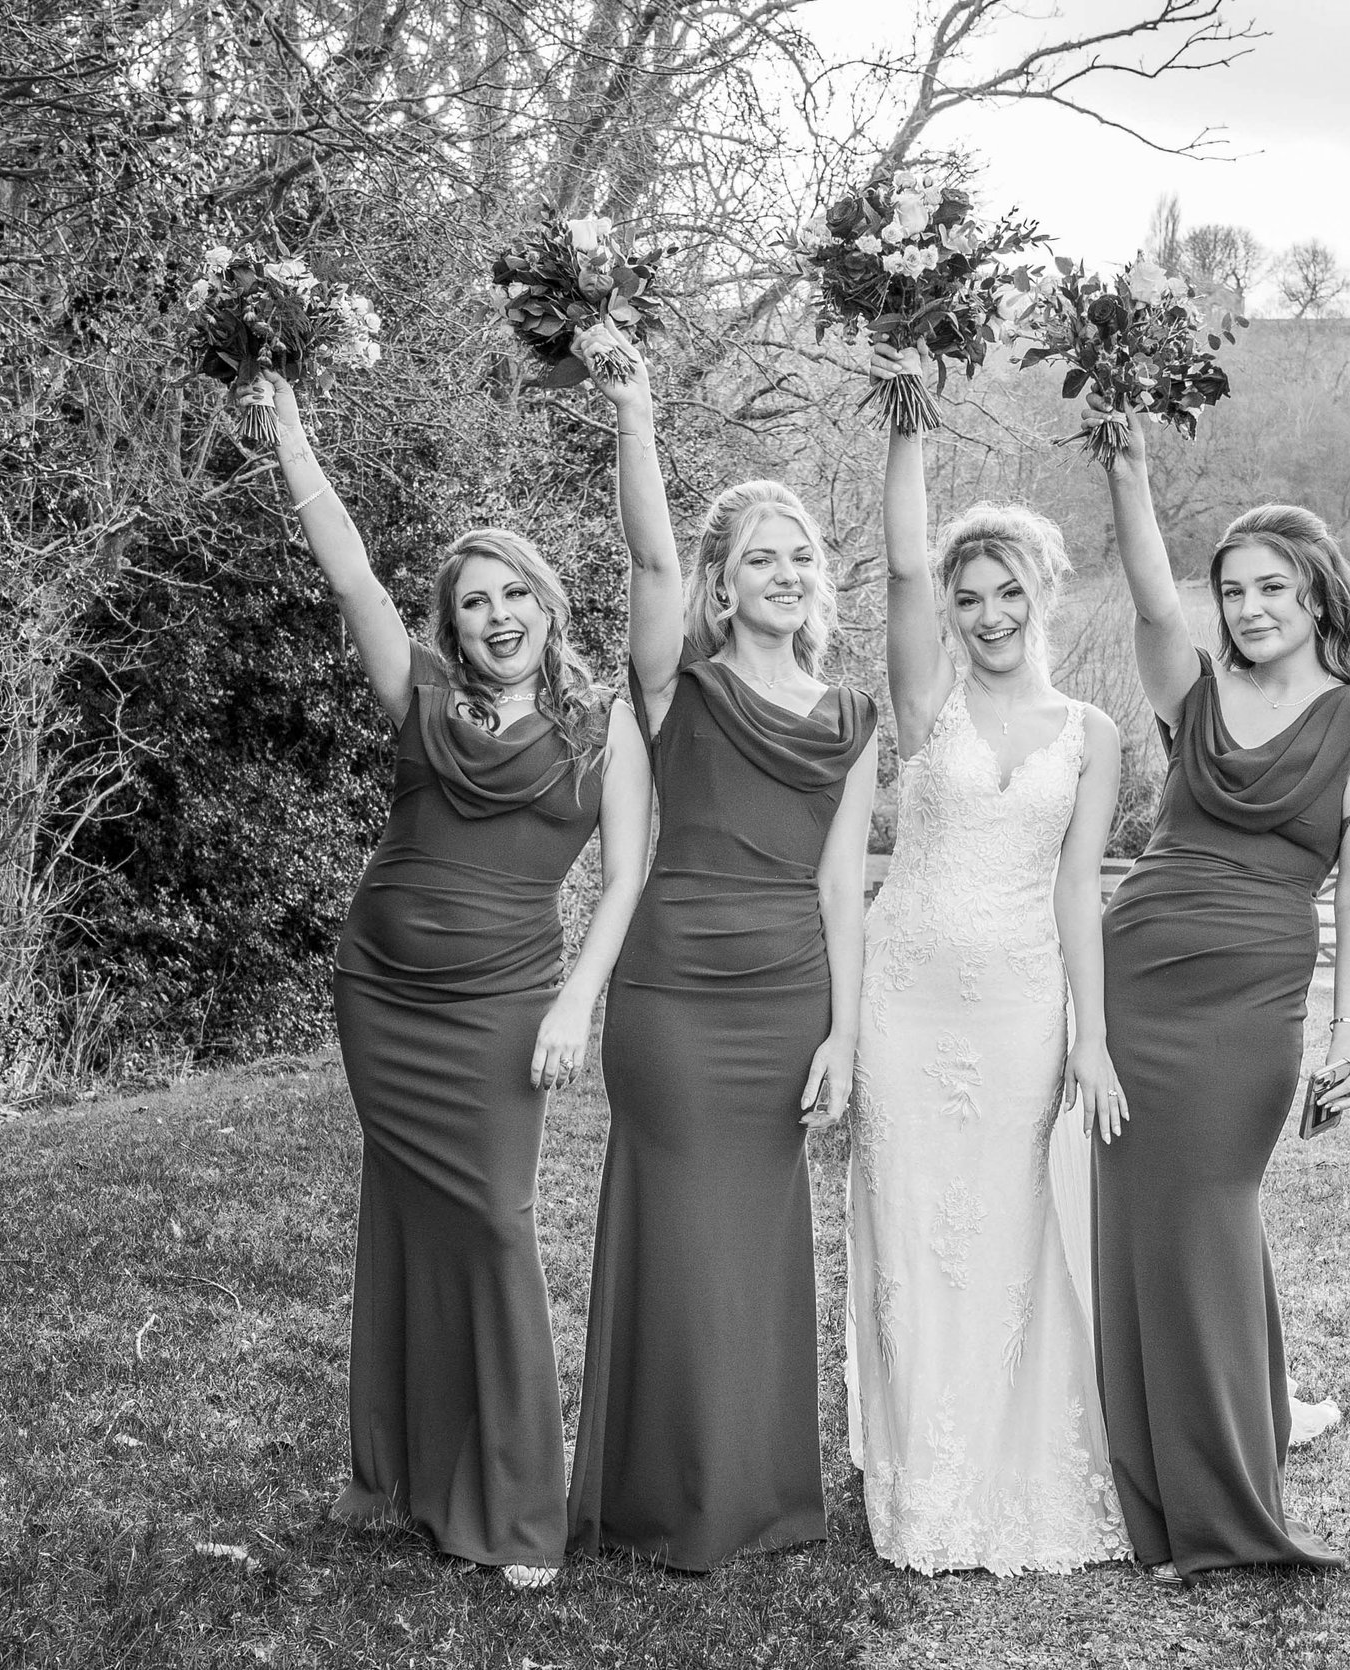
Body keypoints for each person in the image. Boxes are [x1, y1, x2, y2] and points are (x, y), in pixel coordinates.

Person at [271, 377, 653, 1589]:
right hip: (379, 989)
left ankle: (512, 1504)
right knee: (408, 1212)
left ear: (547, 605)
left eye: (513, 596)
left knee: (490, 1223)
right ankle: (404, 1472)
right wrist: (291, 438)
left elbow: (627, 877)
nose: (495, 616)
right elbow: (352, 579)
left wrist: (576, 999)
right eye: (473, 602)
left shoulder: (608, 729)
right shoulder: (421, 696)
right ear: (453, 623)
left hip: (505, 1001)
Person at [565, 344, 878, 1572]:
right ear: (721, 585)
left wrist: (845, 1033)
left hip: (788, 999)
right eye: (762, 559)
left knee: (755, 1248)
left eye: (802, 558)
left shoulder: (852, 719)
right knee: (683, 1239)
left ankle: (757, 1494)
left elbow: (843, 883)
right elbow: (645, 554)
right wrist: (636, 415)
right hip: (673, 995)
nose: (788, 574)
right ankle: (662, 1498)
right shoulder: (670, 688)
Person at [1088, 402, 1350, 1581]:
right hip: (1135, 982)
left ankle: (1225, 1514)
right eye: (1235, 590)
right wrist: (1132, 477)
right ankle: (1172, 1466)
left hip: (1246, 1010)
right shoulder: (1194, 691)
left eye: (1271, 586)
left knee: (1208, 1225)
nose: (1248, 607)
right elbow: (1150, 600)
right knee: (1136, 1234)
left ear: (1317, 595)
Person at [843, 345, 1129, 1575]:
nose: (988, 613)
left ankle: (1009, 1468)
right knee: (913, 1227)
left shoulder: (1094, 735)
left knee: (1011, 1233)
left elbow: (1079, 888)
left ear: (1045, 592)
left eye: (1007, 590)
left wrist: (1094, 1036)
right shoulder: (925, 709)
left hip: (1021, 1009)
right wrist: (908, 417)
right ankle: (923, 1477)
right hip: (904, 1005)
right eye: (971, 598)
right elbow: (903, 562)